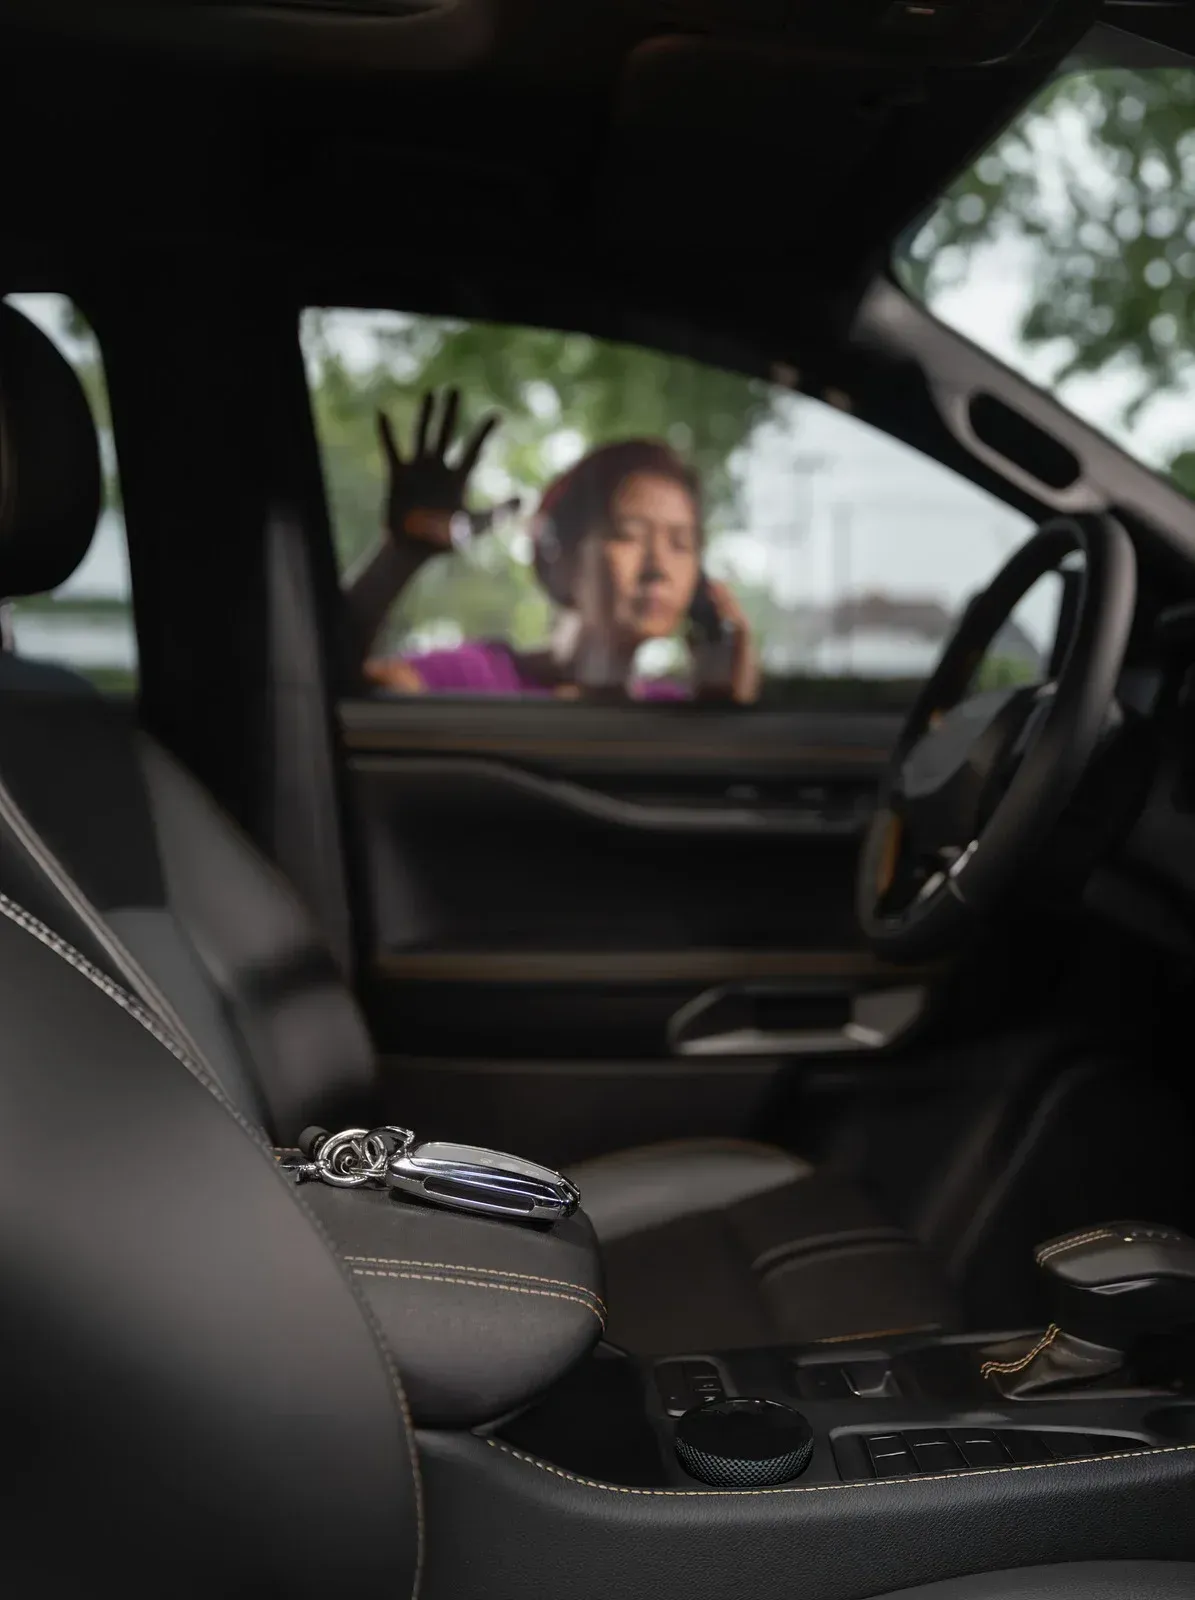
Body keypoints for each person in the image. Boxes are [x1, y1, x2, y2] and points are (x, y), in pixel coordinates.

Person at [344, 388, 759, 703]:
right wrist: (398, 559)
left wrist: (725, 710)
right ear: (559, 555)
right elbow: (324, 686)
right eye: (629, 535)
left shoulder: (675, 709)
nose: (660, 567)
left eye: (682, 544)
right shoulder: (473, 680)